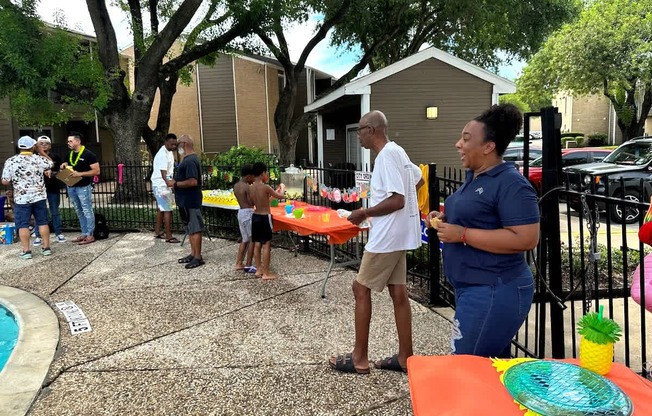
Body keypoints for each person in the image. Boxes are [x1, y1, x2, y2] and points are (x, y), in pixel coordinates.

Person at [426, 103, 540, 358]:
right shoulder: (475, 176)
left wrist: (462, 234)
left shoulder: (512, 184)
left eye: (466, 139)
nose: (458, 144)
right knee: (493, 367)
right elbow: (478, 217)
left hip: (494, 289)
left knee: (465, 366)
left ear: (488, 147)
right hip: (473, 288)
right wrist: (444, 218)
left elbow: (526, 238)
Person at [329, 110, 423, 374]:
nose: (357, 135)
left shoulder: (386, 156)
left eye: (359, 129)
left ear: (371, 130)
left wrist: (364, 212)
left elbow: (398, 200)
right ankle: (406, 357)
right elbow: (419, 179)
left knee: (360, 288)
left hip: (386, 238)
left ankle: (359, 357)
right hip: (398, 235)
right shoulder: (399, 152)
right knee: (398, 293)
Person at [1, 136, 54, 258]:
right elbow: (50, 163)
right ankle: (46, 248)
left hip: (22, 198)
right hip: (39, 196)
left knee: (23, 224)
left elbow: (5, 181)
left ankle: (26, 251)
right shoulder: (38, 159)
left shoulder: (11, 161)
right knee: (42, 222)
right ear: (33, 146)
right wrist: (40, 151)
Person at [167, 135, 204, 269]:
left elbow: (193, 181)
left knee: (195, 228)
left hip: (190, 200)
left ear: (184, 144)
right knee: (190, 228)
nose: (177, 147)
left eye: (178, 144)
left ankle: (198, 257)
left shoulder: (189, 161)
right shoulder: (188, 159)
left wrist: (175, 183)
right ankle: (193, 254)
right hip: (185, 201)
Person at [61, 131, 100, 245]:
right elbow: (69, 164)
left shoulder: (89, 154)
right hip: (71, 185)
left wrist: (80, 174)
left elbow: (96, 171)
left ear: (78, 141)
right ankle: (84, 232)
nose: (68, 143)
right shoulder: (69, 154)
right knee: (79, 210)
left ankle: (90, 234)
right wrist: (64, 165)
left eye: (70, 141)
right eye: (68, 141)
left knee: (86, 209)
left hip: (83, 186)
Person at [249, 162, 285, 280]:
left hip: (255, 216)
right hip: (265, 217)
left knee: (257, 243)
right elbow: (280, 196)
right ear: (263, 173)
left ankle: (258, 269)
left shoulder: (251, 187)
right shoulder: (265, 187)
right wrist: (282, 188)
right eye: (266, 172)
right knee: (266, 244)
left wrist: (273, 193)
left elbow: (264, 201)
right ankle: (266, 273)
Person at [33, 135, 66, 245]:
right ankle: (38, 235)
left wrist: (54, 173)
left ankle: (58, 233)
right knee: (40, 213)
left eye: (46, 143)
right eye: (41, 143)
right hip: (38, 190)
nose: (43, 145)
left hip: (53, 188)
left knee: (55, 212)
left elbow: (61, 172)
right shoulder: (33, 157)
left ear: (50, 145)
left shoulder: (55, 157)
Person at [151, 133, 179, 243]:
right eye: (172, 144)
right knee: (168, 209)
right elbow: (164, 174)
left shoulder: (168, 152)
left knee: (161, 208)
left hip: (160, 184)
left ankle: (157, 231)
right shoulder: (163, 154)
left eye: (175, 144)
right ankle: (168, 235)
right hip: (162, 185)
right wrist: (171, 184)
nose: (174, 146)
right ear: (166, 142)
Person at [234, 164, 256, 272]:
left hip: (241, 212)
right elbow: (251, 201)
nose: (253, 180)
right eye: (253, 177)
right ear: (248, 177)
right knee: (253, 239)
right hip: (248, 213)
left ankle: (239, 262)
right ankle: (248, 264)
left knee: (245, 239)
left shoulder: (236, 185)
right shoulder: (247, 187)